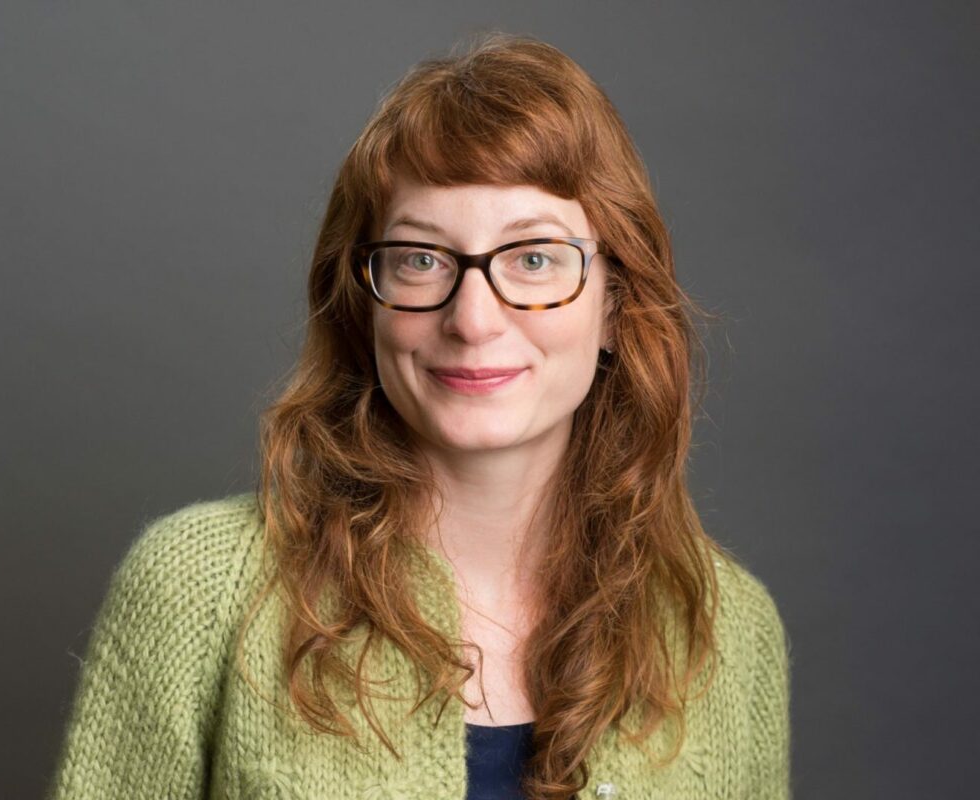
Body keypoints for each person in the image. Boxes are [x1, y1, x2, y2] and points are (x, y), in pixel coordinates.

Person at [47, 33, 791, 800]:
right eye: (421, 259)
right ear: (363, 303)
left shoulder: (727, 629)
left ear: (615, 304)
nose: (473, 320)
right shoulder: (196, 590)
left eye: (533, 258)